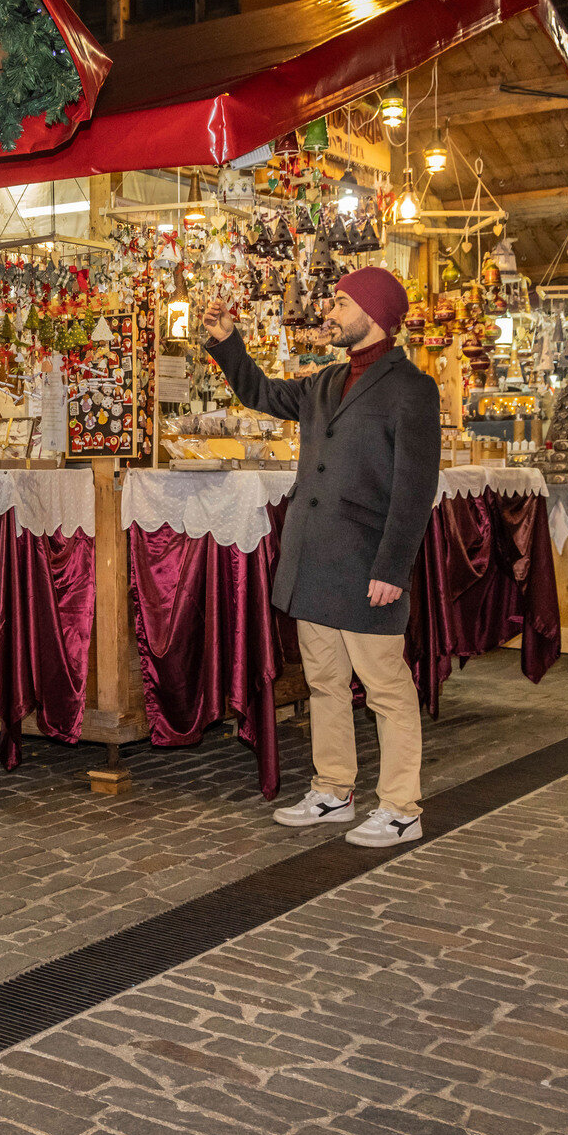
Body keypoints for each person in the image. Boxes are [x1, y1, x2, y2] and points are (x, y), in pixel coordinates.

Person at [202, 267, 440, 848]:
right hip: (315, 559)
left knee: (385, 686)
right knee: (325, 683)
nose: (329, 312)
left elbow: (415, 487)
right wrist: (228, 341)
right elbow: (260, 393)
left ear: (374, 313)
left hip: (366, 566)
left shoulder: (411, 388)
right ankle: (333, 790)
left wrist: (392, 567)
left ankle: (401, 806)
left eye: (339, 302)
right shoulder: (325, 381)